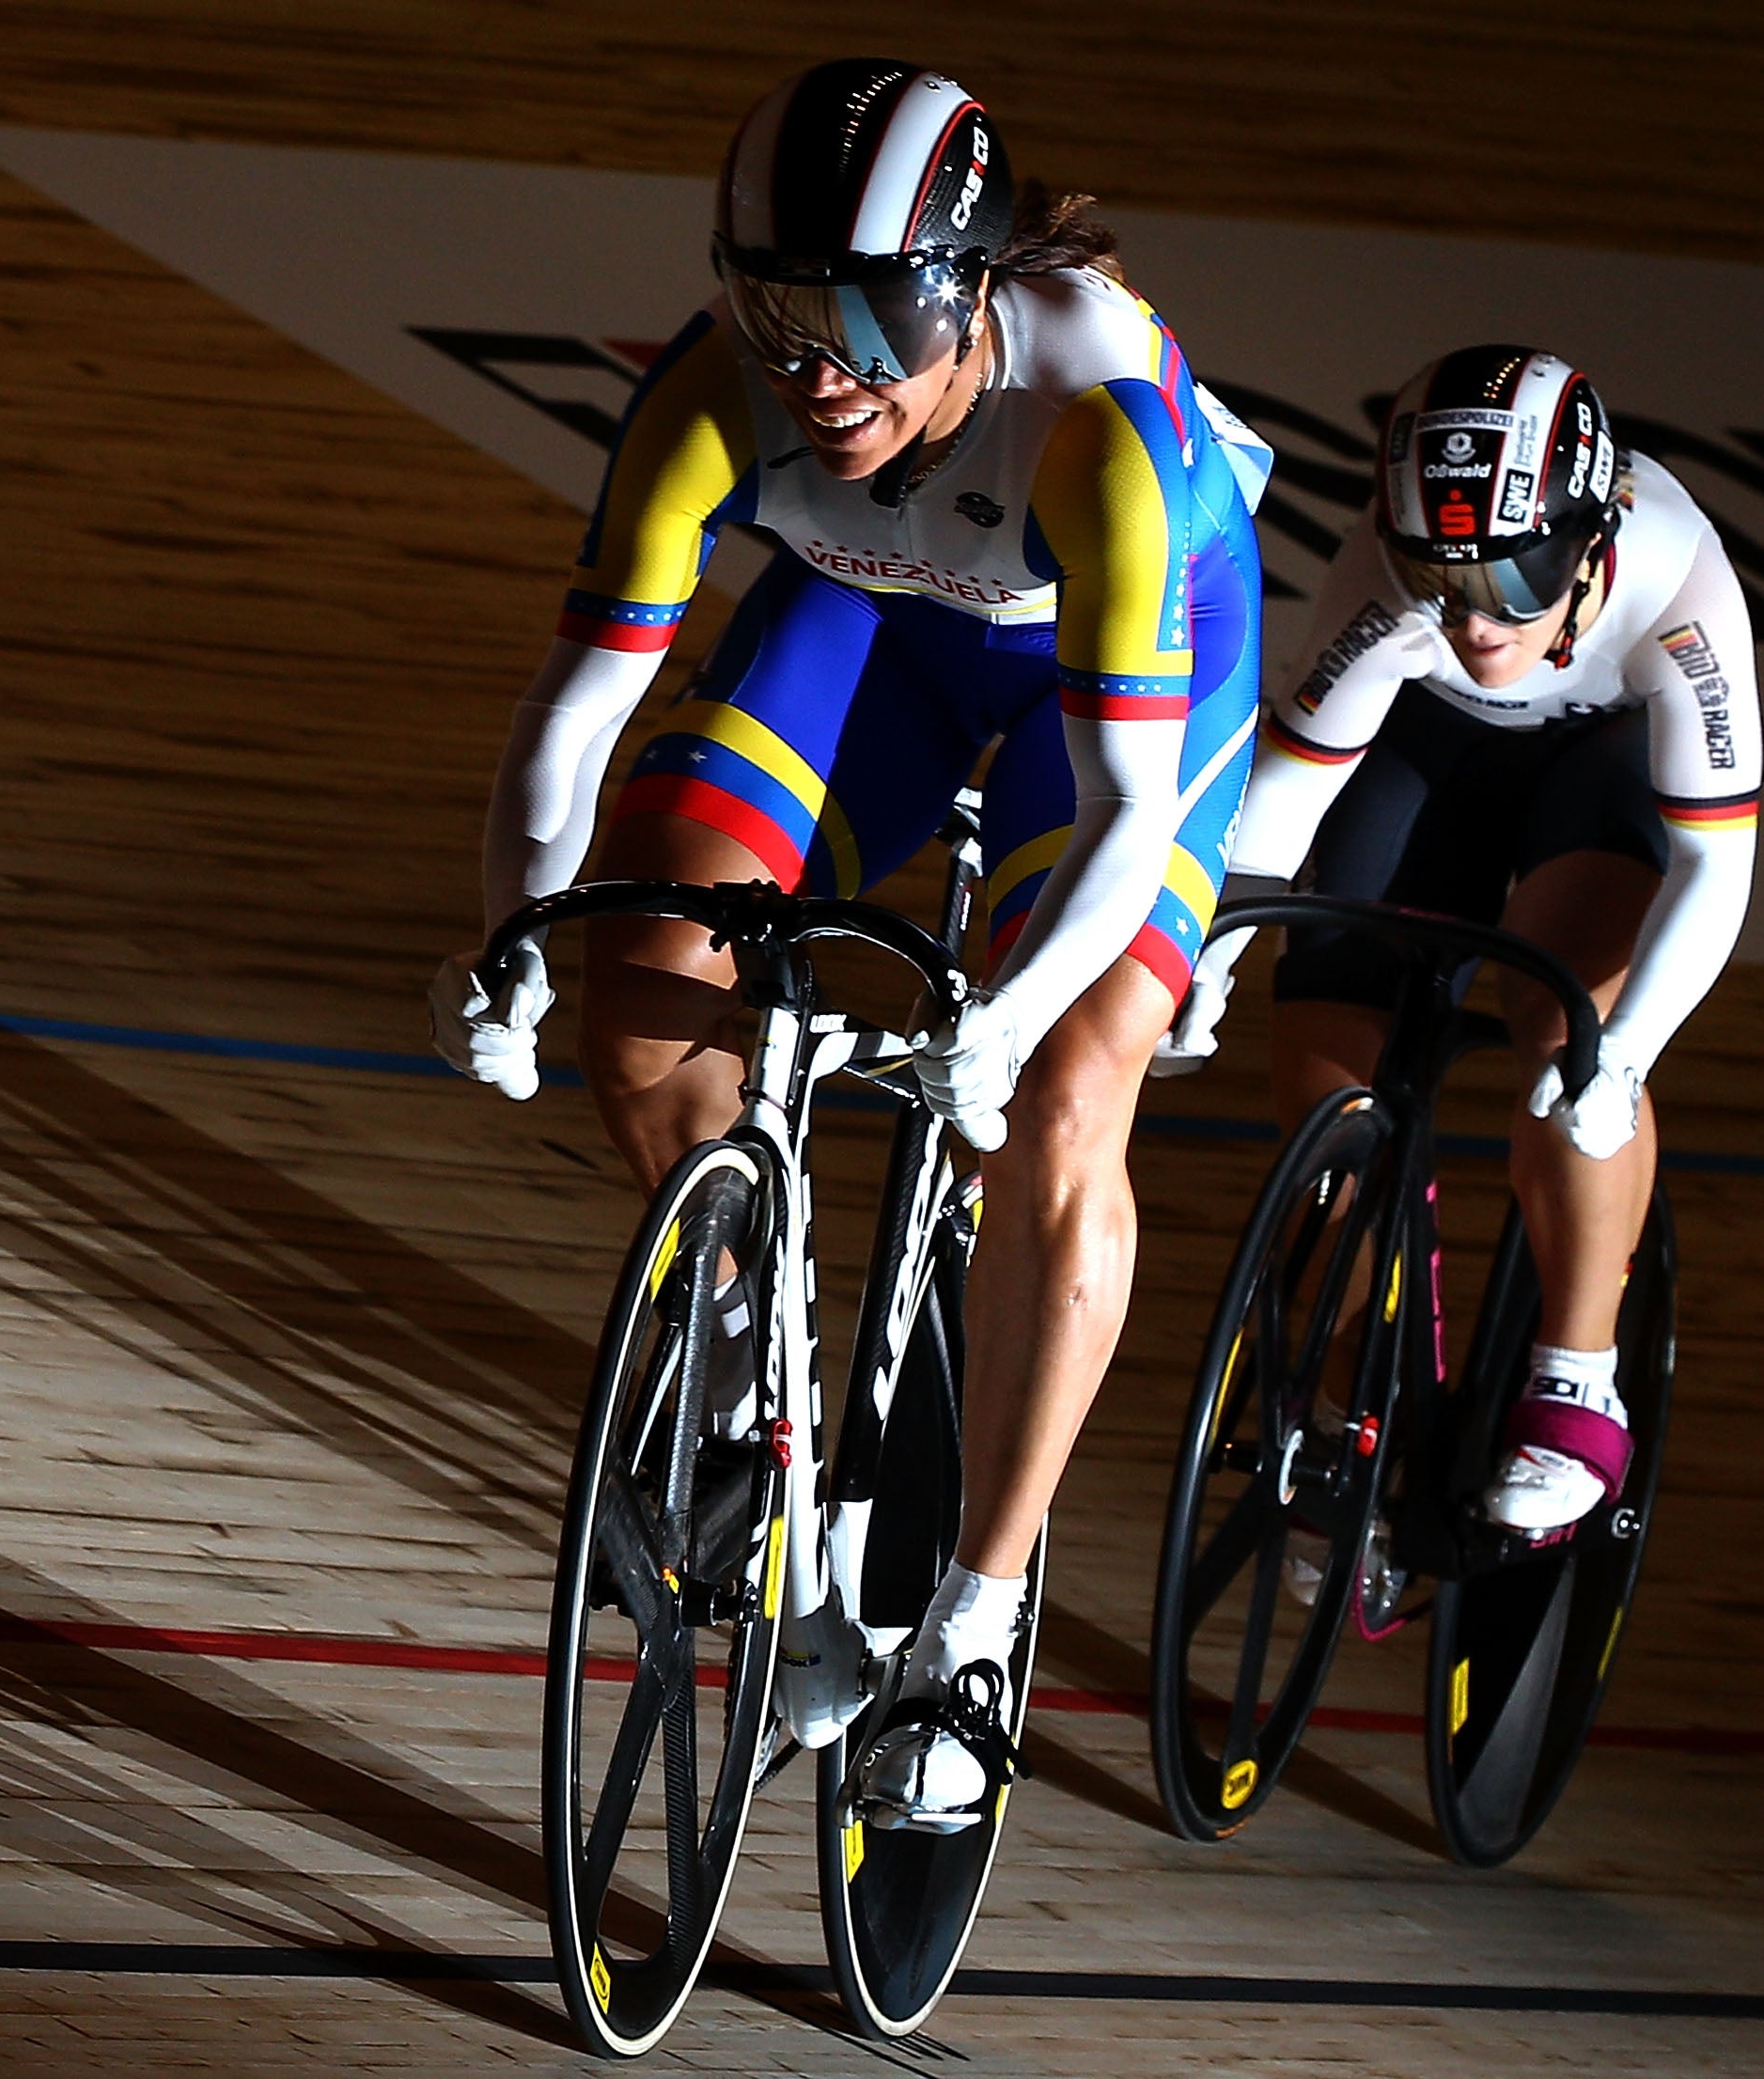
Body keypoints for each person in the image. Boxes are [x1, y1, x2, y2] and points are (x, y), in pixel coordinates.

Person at [429, 59, 1267, 1825]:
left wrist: (1018, 1008)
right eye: (774, 306)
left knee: (1060, 1095)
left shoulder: (1113, 442)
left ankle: (968, 1622)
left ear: (965, 297)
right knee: (643, 983)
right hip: (860, 616)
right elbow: (577, 712)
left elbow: (1128, 817)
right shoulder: (724, 391)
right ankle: (747, 1335)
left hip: (1097, 681)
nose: (812, 363)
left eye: (863, 316)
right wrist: (509, 933)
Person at [1159, 345, 1758, 1536]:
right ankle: (1356, 1341)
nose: (1481, 620)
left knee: (1565, 1039)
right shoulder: (1383, 579)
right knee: (1328, 1065)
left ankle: (1576, 1375)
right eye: (1446, 577)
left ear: (1593, 544)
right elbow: (1287, 794)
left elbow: (1714, 864)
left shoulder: (1679, 580)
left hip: (1603, 765)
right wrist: (1207, 949)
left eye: (1519, 578)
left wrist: (1626, 1050)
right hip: (1426, 750)